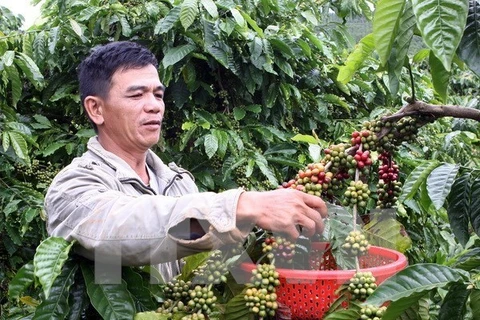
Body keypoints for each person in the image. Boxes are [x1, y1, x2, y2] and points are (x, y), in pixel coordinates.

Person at [44, 41, 328, 282]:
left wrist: (251, 230)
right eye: (136, 94)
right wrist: (241, 205)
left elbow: (183, 234)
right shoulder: (73, 188)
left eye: (158, 94)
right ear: (96, 109)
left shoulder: (177, 184)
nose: (154, 105)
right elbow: (118, 231)